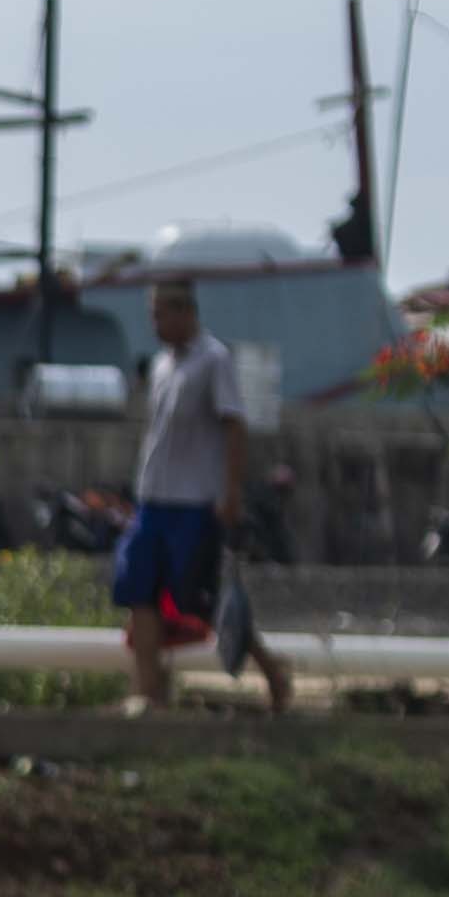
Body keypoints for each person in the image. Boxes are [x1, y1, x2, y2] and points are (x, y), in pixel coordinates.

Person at [114, 278, 293, 716]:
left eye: (160, 314)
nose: (154, 324)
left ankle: (273, 672)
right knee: (138, 590)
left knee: (200, 600)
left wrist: (229, 493)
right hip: (154, 500)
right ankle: (150, 693)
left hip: (193, 502)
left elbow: (234, 425)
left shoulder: (213, 360)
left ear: (183, 312)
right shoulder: (161, 365)